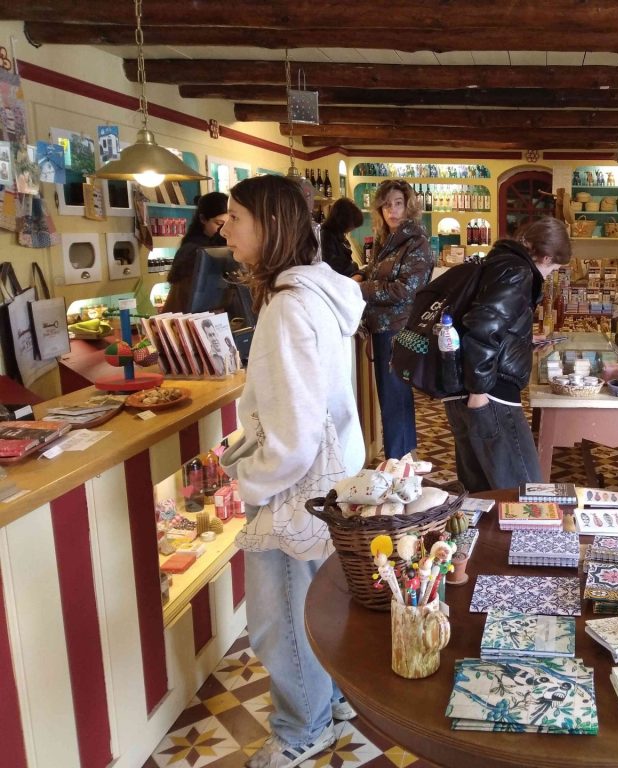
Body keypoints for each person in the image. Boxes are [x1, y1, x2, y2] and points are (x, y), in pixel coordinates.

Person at [218, 175, 364, 768]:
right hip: (327, 479)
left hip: (293, 491)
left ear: (271, 224)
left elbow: (293, 435)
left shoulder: (287, 308)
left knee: (281, 619)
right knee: (318, 604)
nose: (224, 228)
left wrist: (249, 478)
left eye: (235, 217)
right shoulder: (316, 293)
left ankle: (304, 726)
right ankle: (330, 700)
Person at [443, 217, 571, 492]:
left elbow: (489, 321)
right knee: (525, 492)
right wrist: (479, 392)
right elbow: (483, 327)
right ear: (546, 257)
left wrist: (522, 340)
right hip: (489, 392)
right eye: (553, 269)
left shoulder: (498, 261)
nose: (550, 275)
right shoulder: (518, 272)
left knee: (480, 492)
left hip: (460, 386)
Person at [357, 179, 434, 460]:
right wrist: (361, 274)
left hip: (398, 328)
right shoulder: (387, 239)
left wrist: (360, 288)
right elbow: (379, 271)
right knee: (394, 395)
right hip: (384, 326)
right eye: (387, 205)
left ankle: (397, 460)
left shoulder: (416, 242)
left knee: (394, 396)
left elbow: (404, 289)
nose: (392, 210)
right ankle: (404, 457)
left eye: (398, 203)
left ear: (409, 206)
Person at [164, 191, 230, 313]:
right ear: (203, 219)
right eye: (219, 224)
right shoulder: (192, 249)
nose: (223, 230)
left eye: (228, 224)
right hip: (185, 316)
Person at [319, 197, 363, 278]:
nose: (353, 229)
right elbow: (333, 266)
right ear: (343, 221)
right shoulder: (326, 236)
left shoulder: (339, 235)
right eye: (352, 225)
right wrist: (354, 266)